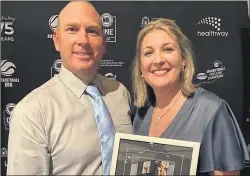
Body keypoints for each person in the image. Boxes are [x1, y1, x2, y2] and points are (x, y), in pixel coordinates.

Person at [7, 1, 132, 175]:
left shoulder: (120, 92)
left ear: (104, 43)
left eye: (92, 31)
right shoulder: (32, 112)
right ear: (57, 40)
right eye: (72, 29)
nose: (83, 40)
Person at [132, 18, 250, 176]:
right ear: (140, 67)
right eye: (148, 52)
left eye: (167, 49)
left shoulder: (210, 110)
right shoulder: (140, 114)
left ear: (184, 60)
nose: (158, 60)